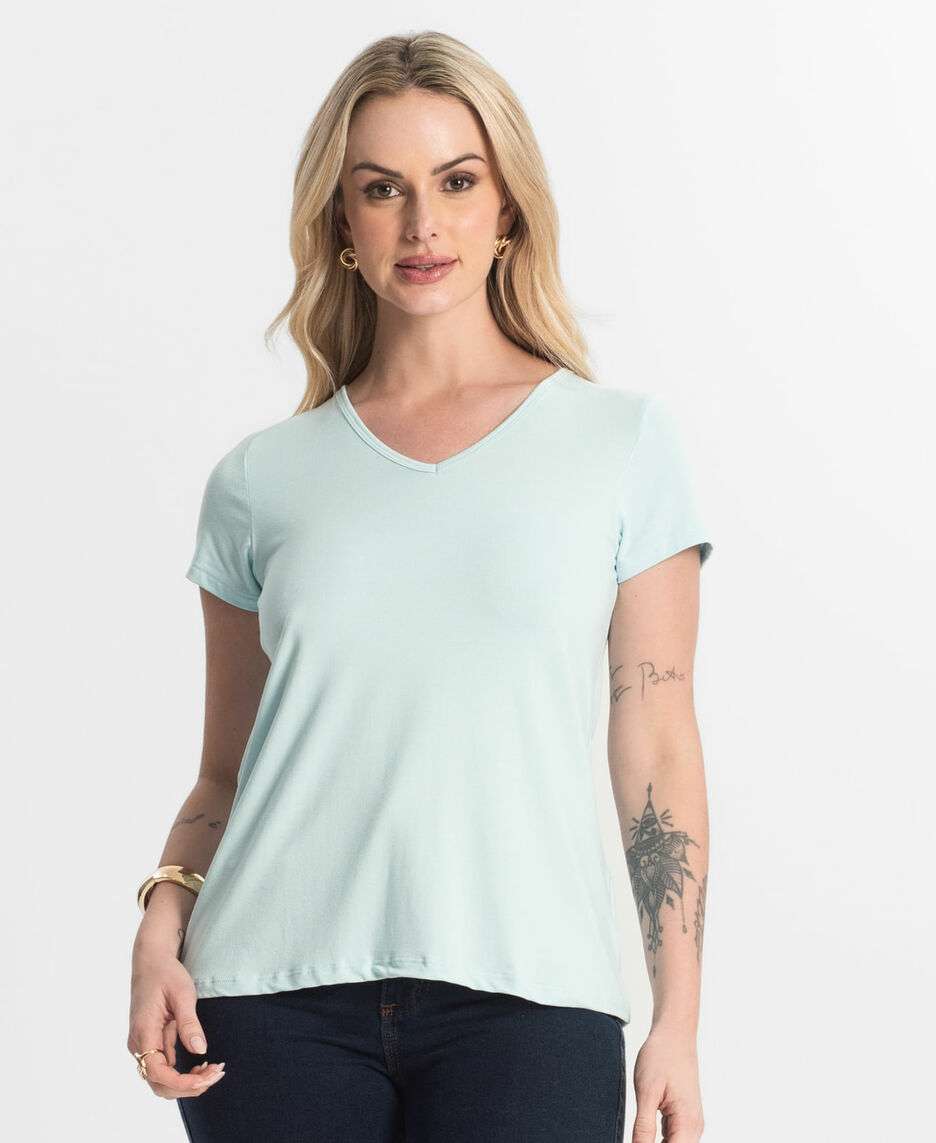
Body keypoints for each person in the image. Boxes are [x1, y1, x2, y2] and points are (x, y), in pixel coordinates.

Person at [127, 30, 712, 1143]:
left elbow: (658, 746)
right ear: (340, 225)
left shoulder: (621, 446)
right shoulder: (259, 481)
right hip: (266, 1003)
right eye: (381, 189)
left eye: (456, 181)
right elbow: (224, 773)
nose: (422, 223)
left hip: (532, 996)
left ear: (509, 207)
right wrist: (162, 913)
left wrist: (676, 1021)